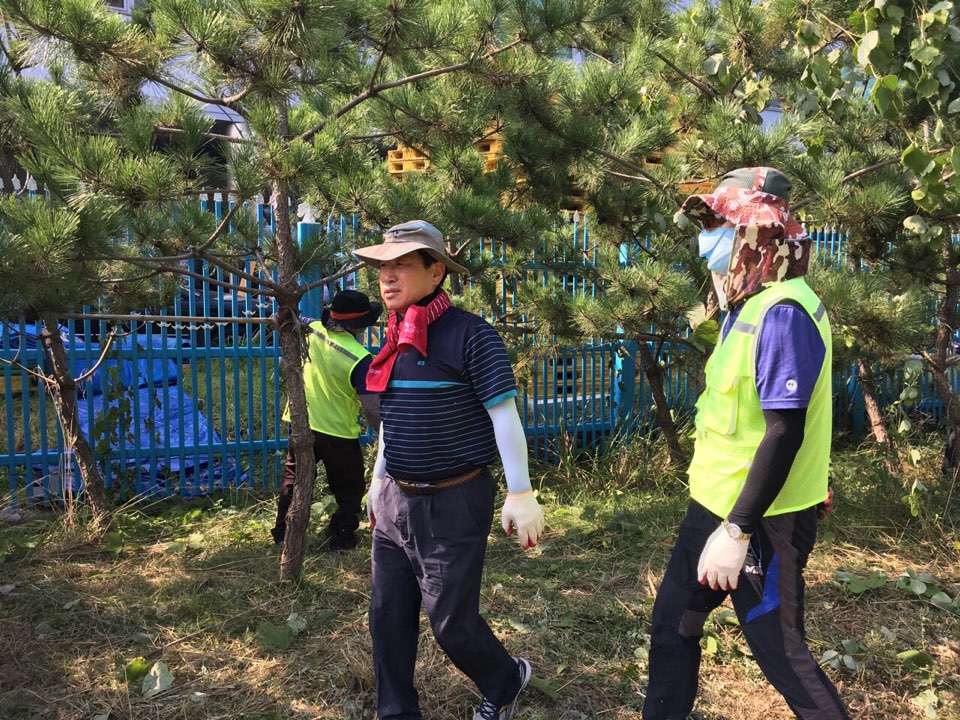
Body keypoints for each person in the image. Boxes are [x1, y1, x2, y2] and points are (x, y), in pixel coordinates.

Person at [643, 168, 851, 719]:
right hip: (711, 507)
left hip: (761, 520)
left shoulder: (783, 312)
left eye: (718, 223)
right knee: (673, 625)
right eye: (706, 223)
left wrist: (736, 531)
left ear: (757, 232)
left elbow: (784, 431)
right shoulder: (746, 302)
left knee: (781, 655)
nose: (705, 235)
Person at [354, 220, 545, 720]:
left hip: (454, 499)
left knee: (451, 624)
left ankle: (506, 679)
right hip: (396, 497)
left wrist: (520, 493)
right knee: (387, 616)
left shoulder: (471, 335)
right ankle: (396, 713)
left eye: (402, 266)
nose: (387, 278)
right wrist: (378, 482)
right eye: (382, 267)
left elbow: (504, 415)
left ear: (436, 271)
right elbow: (391, 420)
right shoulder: (393, 336)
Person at [270, 289, 381, 551]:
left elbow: (287, 319)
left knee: (293, 481)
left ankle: (283, 534)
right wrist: (384, 432)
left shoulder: (313, 328)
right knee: (349, 489)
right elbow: (371, 407)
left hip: (301, 423)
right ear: (361, 325)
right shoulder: (360, 358)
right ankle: (341, 537)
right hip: (338, 433)